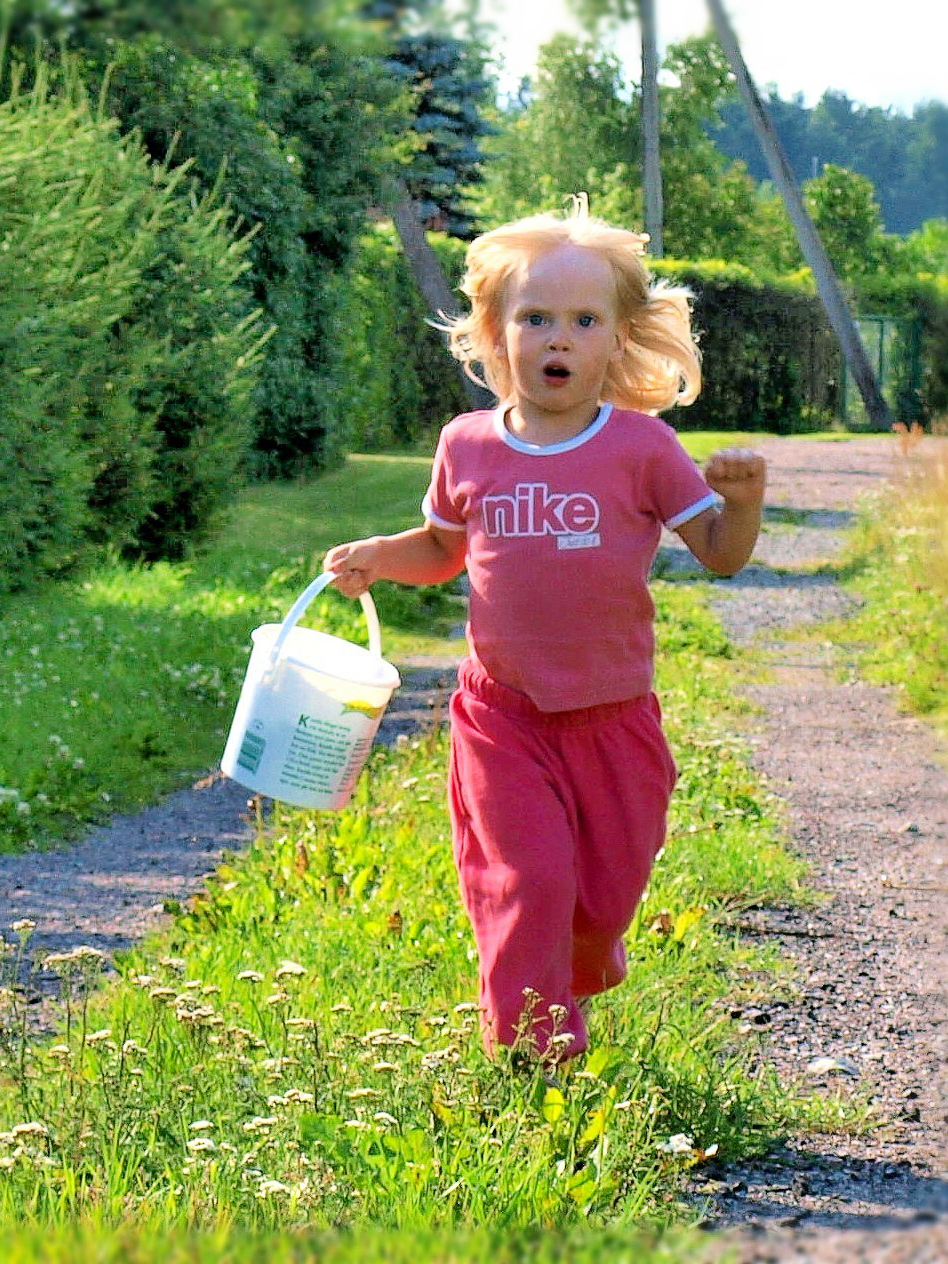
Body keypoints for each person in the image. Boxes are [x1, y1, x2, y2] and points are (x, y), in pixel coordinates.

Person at [324, 198, 767, 1062]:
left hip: (613, 720)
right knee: (529, 881)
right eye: (534, 318)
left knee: (601, 898)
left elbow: (718, 554)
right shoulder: (468, 446)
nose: (556, 339)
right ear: (496, 334)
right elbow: (443, 548)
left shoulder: (641, 448)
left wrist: (742, 504)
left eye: (581, 321)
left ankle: (566, 976)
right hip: (504, 717)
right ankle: (531, 1054)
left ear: (617, 339)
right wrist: (381, 555)